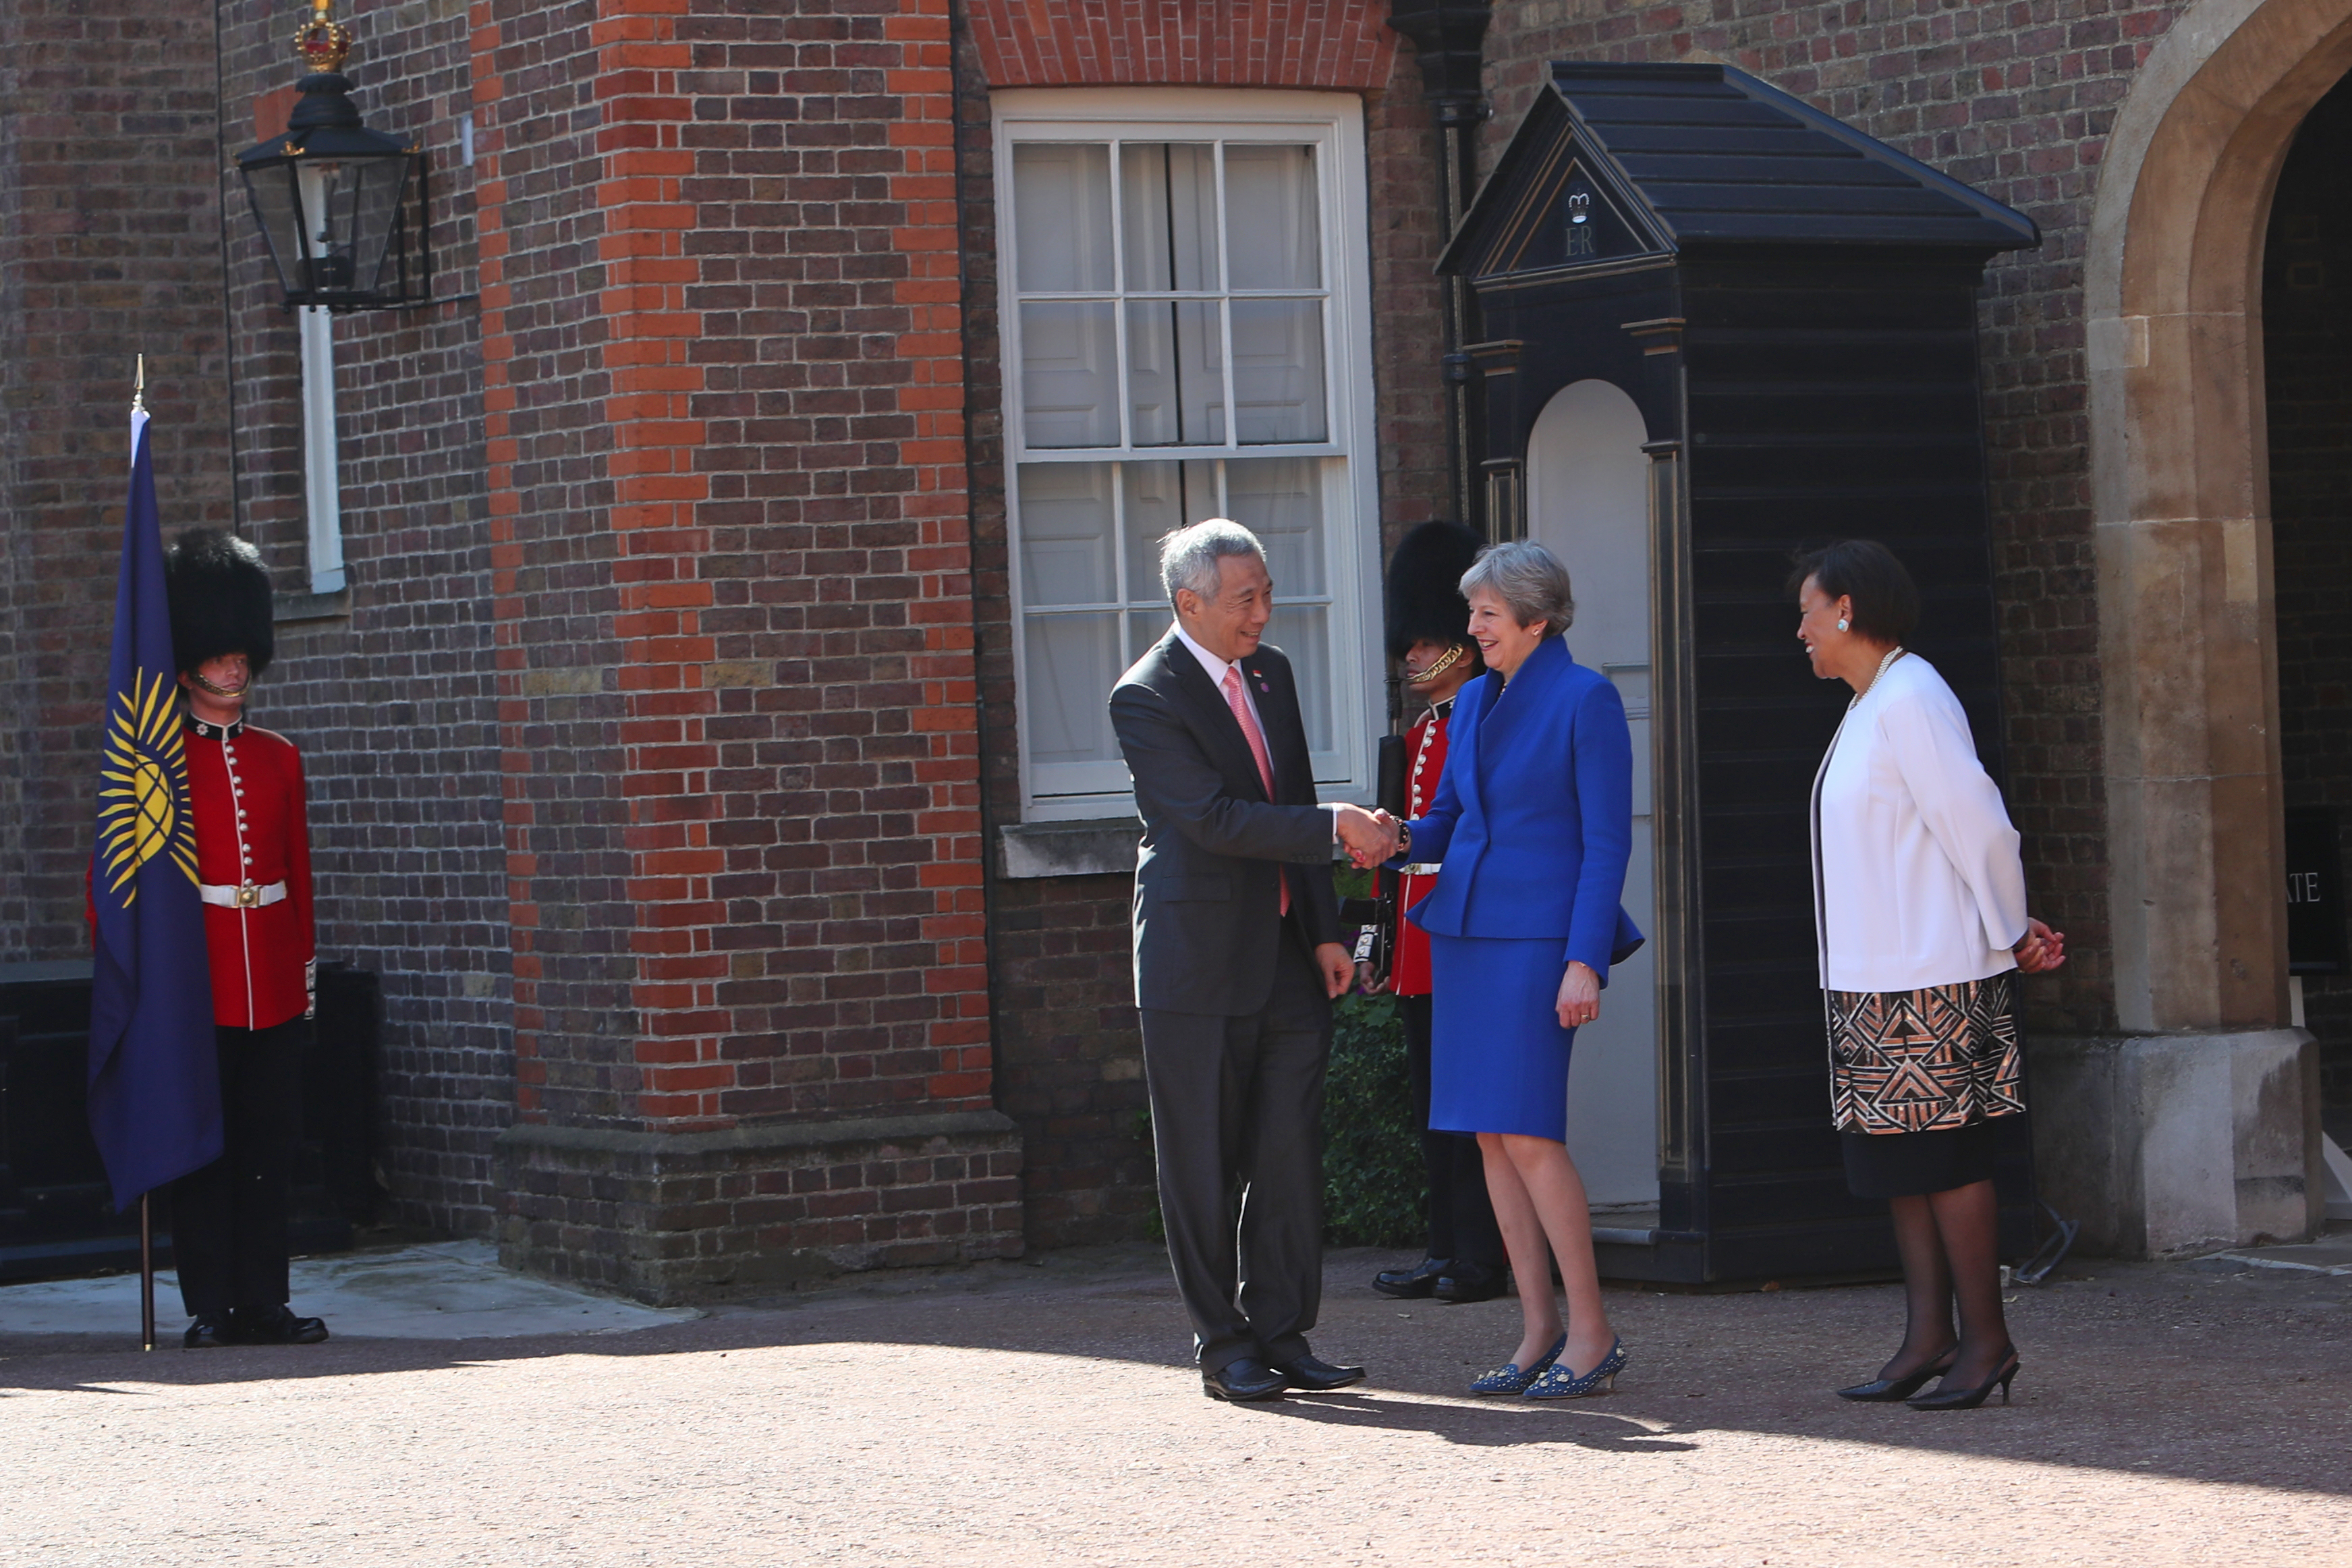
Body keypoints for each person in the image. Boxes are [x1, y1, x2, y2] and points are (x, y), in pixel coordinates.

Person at [1109, 518, 1399, 1403]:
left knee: (1285, 1151)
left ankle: (1283, 1331)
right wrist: (1334, 830)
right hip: (1194, 964)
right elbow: (1213, 819)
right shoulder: (1146, 696)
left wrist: (1320, 929)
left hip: (1280, 951)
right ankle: (1222, 1345)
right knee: (1198, 1158)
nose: (1264, 612)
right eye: (1247, 598)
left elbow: (1292, 792)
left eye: (1267, 592)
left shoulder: (1270, 675)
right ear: (1188, 603)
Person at [1792, 539, 2065, 1411]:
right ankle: (1927, 1338)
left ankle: (1985, 1342)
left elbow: (1976, 825)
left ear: (1845, 610)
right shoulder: (1873, 703)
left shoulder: (1911, 698)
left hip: (1930, 977)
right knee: (1896, 1167)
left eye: (1806, 611)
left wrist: (2008, 925)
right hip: (1875, 978)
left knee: (1945, 1161)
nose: (1797, 630)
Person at [1393, 540, 1642, 1400]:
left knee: (1531, 1134)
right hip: (1465, 934)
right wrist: (1390, 837)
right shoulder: (1469, 704)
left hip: (1539, 944)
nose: (1472, 629)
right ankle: (1538, 1326)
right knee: (1492, 1136)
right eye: (1472, 613)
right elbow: (1449, 820)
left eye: (1487, 615)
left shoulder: (1587, 697)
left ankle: (1593, 1329)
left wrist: (1585, 962)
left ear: (1535, 618)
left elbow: (1607, 842)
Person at [163, 529, 329, 1349]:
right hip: (199, 981)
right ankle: (212, 1303)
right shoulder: (154, 767)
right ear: (190, 661)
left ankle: (265, 1297)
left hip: (268, 971)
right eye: (221, 657)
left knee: (269, 1145)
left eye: (242, 657)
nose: (236, 671)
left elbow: (298, 878)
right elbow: (121, 885)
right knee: (206, 1151)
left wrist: (300, 980)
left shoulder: (278, 757)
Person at [1366, 522, 1507, 1308]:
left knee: (1471, 1098)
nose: (1413, 657)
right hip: (1420, 936)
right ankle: (1445, 1242)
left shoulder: (1482, 716)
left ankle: (1481, 1254)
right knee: (1432, 1099)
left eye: (1426, 642)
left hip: (1464, 930)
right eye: (1410, 643)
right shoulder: (1426, 730)